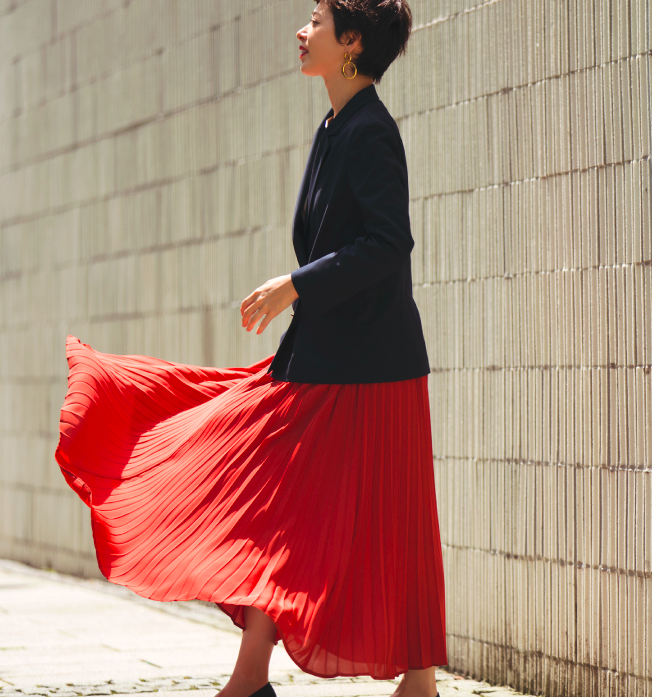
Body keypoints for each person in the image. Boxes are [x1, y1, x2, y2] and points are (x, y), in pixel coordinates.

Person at [53, 2, 446, 697]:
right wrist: (299, 293)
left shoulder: (369, 131)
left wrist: (295, 285)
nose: (302, 30)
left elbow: (388, 244)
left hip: (372, 369)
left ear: (351, 42)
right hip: (326, 361)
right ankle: (254, 677)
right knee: (277, 512)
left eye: (317, 19)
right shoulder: (336, 125)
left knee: (391, 521)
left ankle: (412, 684)